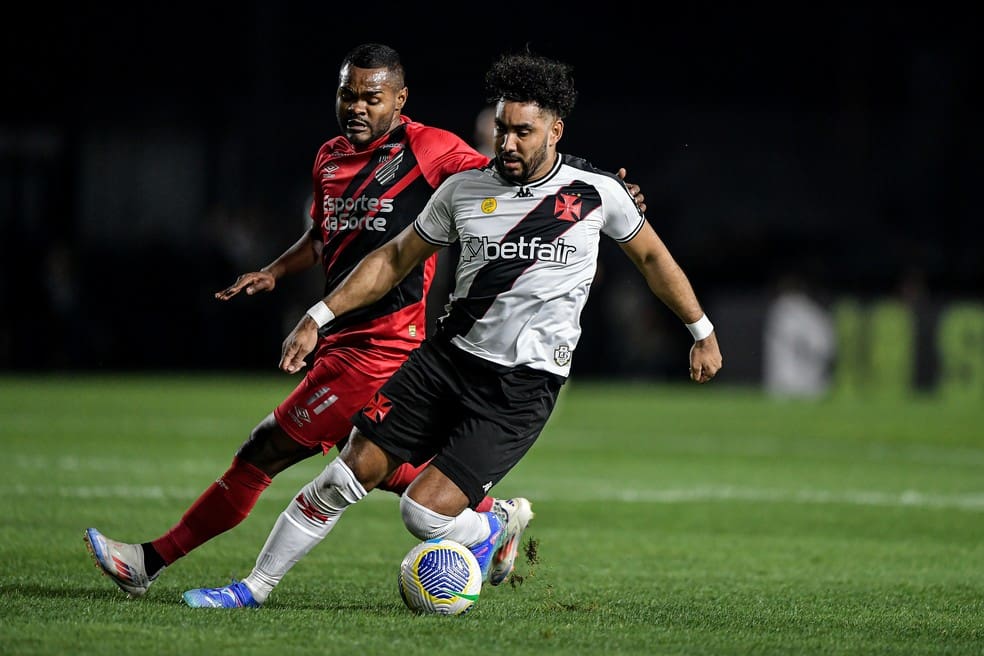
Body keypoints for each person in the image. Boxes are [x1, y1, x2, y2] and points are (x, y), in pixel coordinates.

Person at [82, 43, 646, 600]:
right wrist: (276, 272)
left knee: (267, 450)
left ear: (400, 100)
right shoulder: (329, 156)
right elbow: (324, 235)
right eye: (347, 95)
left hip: (386, 346)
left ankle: (152, 563)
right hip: (341, 334)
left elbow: (519, 172)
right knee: (370, 463)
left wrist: (604, 186)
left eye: (371, 97)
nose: (357, 107)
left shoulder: (431, 151)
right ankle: (488, 518)